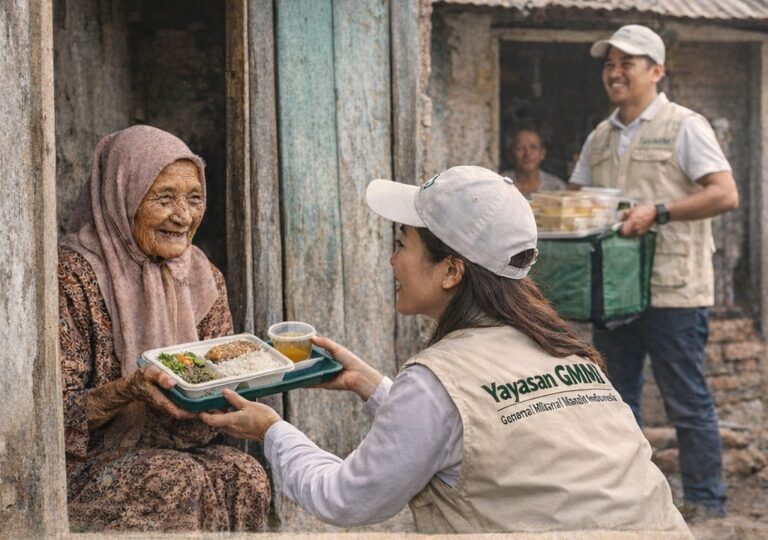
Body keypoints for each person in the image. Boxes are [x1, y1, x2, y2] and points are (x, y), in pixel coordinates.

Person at [201, 166, 691, 536]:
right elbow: (473, 428)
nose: (392, 261)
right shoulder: (566, 352)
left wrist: (272, 431)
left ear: (451, 271)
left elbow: (347, 499)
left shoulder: (437, 381)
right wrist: (369, 385)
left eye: (402, 244)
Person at [58, 125, 270, 532]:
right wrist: (129, 389)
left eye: (194, 199)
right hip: (88, 462)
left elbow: (220, 372)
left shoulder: (203, 274)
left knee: (246, 475)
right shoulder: (75, 276)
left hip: (182, 445)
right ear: (123, 196)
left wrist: (241, 383)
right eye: (164, 198)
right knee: (174, 478)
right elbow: (53, 416)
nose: (183, 216)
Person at [568, 24, 739, 518]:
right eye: (609, 63)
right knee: (616, 401)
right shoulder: (600, 136)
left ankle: (707, 502)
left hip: (674, 291)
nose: (615, 72)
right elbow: (577, 200)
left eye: (628, 63)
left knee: (686, 400)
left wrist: (657, 211)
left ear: (657, 71)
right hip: (615, 292)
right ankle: (630, 501)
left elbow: (725, 193)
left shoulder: (685, 125)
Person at [501, 126, 565, 196]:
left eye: (533, 147)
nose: (528, 153)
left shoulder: (556, 187)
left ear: (542, 153)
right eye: (520, 148)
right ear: (510, 155)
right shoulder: (501, 184)